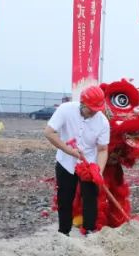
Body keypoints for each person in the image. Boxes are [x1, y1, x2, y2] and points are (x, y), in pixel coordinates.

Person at [44, 86, 110, 235]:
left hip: (89, 165)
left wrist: (98, 171)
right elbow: (49, 132)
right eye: (91, 109)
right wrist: (69, 150)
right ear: (82, 103)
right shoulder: (65, 110)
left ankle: (89, 231)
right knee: (65, 198)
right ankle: (64, 232)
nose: (94, 112)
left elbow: (102, 149)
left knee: (90, 198)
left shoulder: (102, 122)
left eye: (97, 109)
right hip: (65, 162)